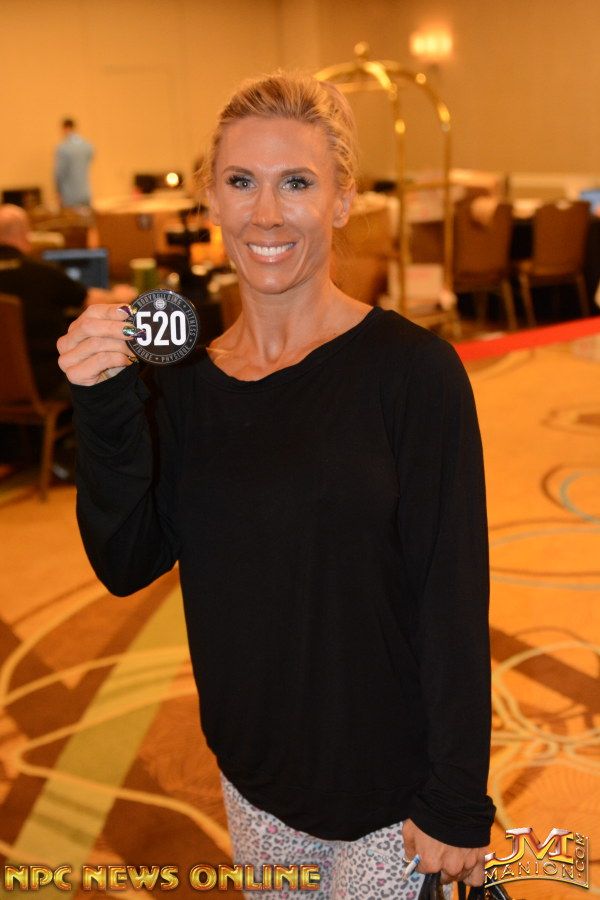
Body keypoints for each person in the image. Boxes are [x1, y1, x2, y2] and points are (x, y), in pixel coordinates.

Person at [57, 72, 495, 897]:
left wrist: (457, 798)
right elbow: (126, 561)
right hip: (251, 773)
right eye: (241, 182)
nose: (265, 214)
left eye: (296, 183)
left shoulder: (412, 373)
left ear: (341, 201)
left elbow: (452, 593)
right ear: (211, 201)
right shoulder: (180, 382)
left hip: (390, 788)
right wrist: (106, 403)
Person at [0, 204, 134, 398]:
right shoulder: (43, 274)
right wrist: (120, 294)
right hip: (46, 384)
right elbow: (92, 300)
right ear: (25, 235)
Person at [54, 118, 94, 209]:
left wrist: (58, 193)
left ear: (64, 128)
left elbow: (59, 174)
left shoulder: (63, 148)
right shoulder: (87, 146)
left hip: (69, 196)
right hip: (85, 192)